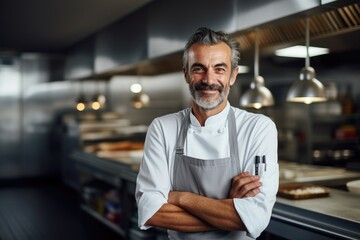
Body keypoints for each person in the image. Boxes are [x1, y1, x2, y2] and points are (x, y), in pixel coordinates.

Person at [135, 27, 279, 239]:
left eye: (219, 69)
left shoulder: (258, 127)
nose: (208, 80)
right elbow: (151, 212)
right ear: (186, 74)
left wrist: (180, 198)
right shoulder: (162, 128)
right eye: (198, 69)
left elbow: (255, 218)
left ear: (233, 75)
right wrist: (228, 209)